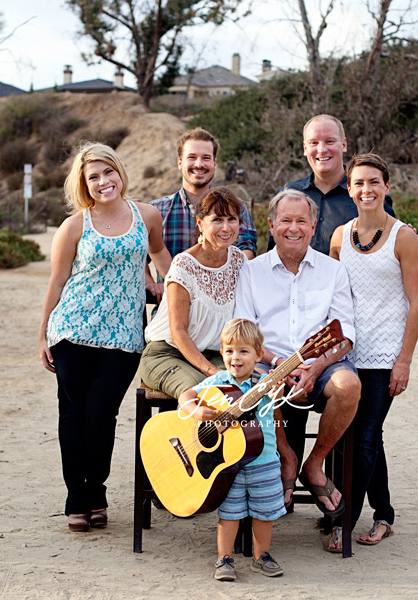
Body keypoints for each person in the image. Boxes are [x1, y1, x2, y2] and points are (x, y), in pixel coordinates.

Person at [37, 142, 172, 533]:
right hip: (73, 330)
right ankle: (79, 499)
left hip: (124, 336)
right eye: (92, 177)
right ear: (84, 184)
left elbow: (163, 258)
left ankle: (96, 488)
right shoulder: (75, 225)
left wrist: (176, 289)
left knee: (102, 414)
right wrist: (43, 334)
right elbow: (58, 281)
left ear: (119, 172)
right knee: (74, 414)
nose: (102, 181)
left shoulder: (147, 216)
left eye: (107, 172)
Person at [233, 188, 360, 552]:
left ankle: (314, 463)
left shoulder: (333, 271)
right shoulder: (252, 272)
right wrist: (279, 364)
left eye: (301, 221)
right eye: (285, 221)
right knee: (260, 388)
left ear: (314, 225)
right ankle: (287, 457)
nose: (293, 228)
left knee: (348, 384)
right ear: (271, 225)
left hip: (320, 365)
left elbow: (345, 334)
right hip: (266, 363)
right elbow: (244, 329)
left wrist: (315, 365)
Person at [330, 153, 418, 547]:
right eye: (358, 183)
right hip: (350, 351)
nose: (366, 190)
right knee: (365, 435)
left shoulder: (404, 238)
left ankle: (345, 523)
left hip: (386, 355)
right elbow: (333, 295)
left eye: (374, 182)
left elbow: (417, 302)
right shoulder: (340, 236)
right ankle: (384, 514)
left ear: (387, 187)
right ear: (349, 189)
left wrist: (404, 361)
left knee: (366, 435)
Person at [177, 319, 287, 581]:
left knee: (265, 514)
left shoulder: (266, 383)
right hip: (228, 463)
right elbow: (184, 396)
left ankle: (262, 556)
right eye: (229, 351)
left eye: (243, 351)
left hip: (264, 460)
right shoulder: (217, 382)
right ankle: (224, 558)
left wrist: (276, 391)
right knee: (229, 513)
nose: (235, 358)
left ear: (259, 355)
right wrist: (195, 410)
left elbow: (280, 397)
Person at [139, 187, 248, 399]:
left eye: (232, 219)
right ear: (200, 223)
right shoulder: (184, 265)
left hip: (215, 354)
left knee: (249, 387)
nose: (226, 228)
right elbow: (178, 331)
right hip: (167, 353)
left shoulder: (239, 261)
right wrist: (212, 372)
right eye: (217, 220)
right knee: (204, 392)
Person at [146, 127, 257, 301]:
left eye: (206, 158)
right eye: (191, 157)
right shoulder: (156, 211)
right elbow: (138, 255)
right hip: (169, 313)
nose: (199, 164)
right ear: (180, 162)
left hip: (221, 313)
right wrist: (150, 283)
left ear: (214, 163)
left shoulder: (237, 207)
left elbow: (246, 250)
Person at [270, 114, 395, 256]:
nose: (322, 149)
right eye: (314, 143)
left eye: (329, 141)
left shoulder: (367, 196)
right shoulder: (288, 194)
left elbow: (390, 247)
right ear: (305, 148)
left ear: (344, 144)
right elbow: (273, 253)